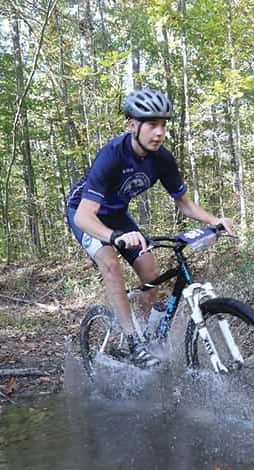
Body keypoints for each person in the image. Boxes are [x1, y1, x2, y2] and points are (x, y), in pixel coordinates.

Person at [66, 88, 233, 368]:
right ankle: (132, 342)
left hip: (117, 214)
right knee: (110, 264)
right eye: (152, 125)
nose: (159, 132)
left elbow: (184, 203)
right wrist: (114, 237)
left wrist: (213, 220)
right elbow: (84, 216)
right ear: (132, 125)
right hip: (85, 213)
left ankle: (143, 332)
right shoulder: (112, 155)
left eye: (163, 125)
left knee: (152, 274)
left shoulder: (162, 159)